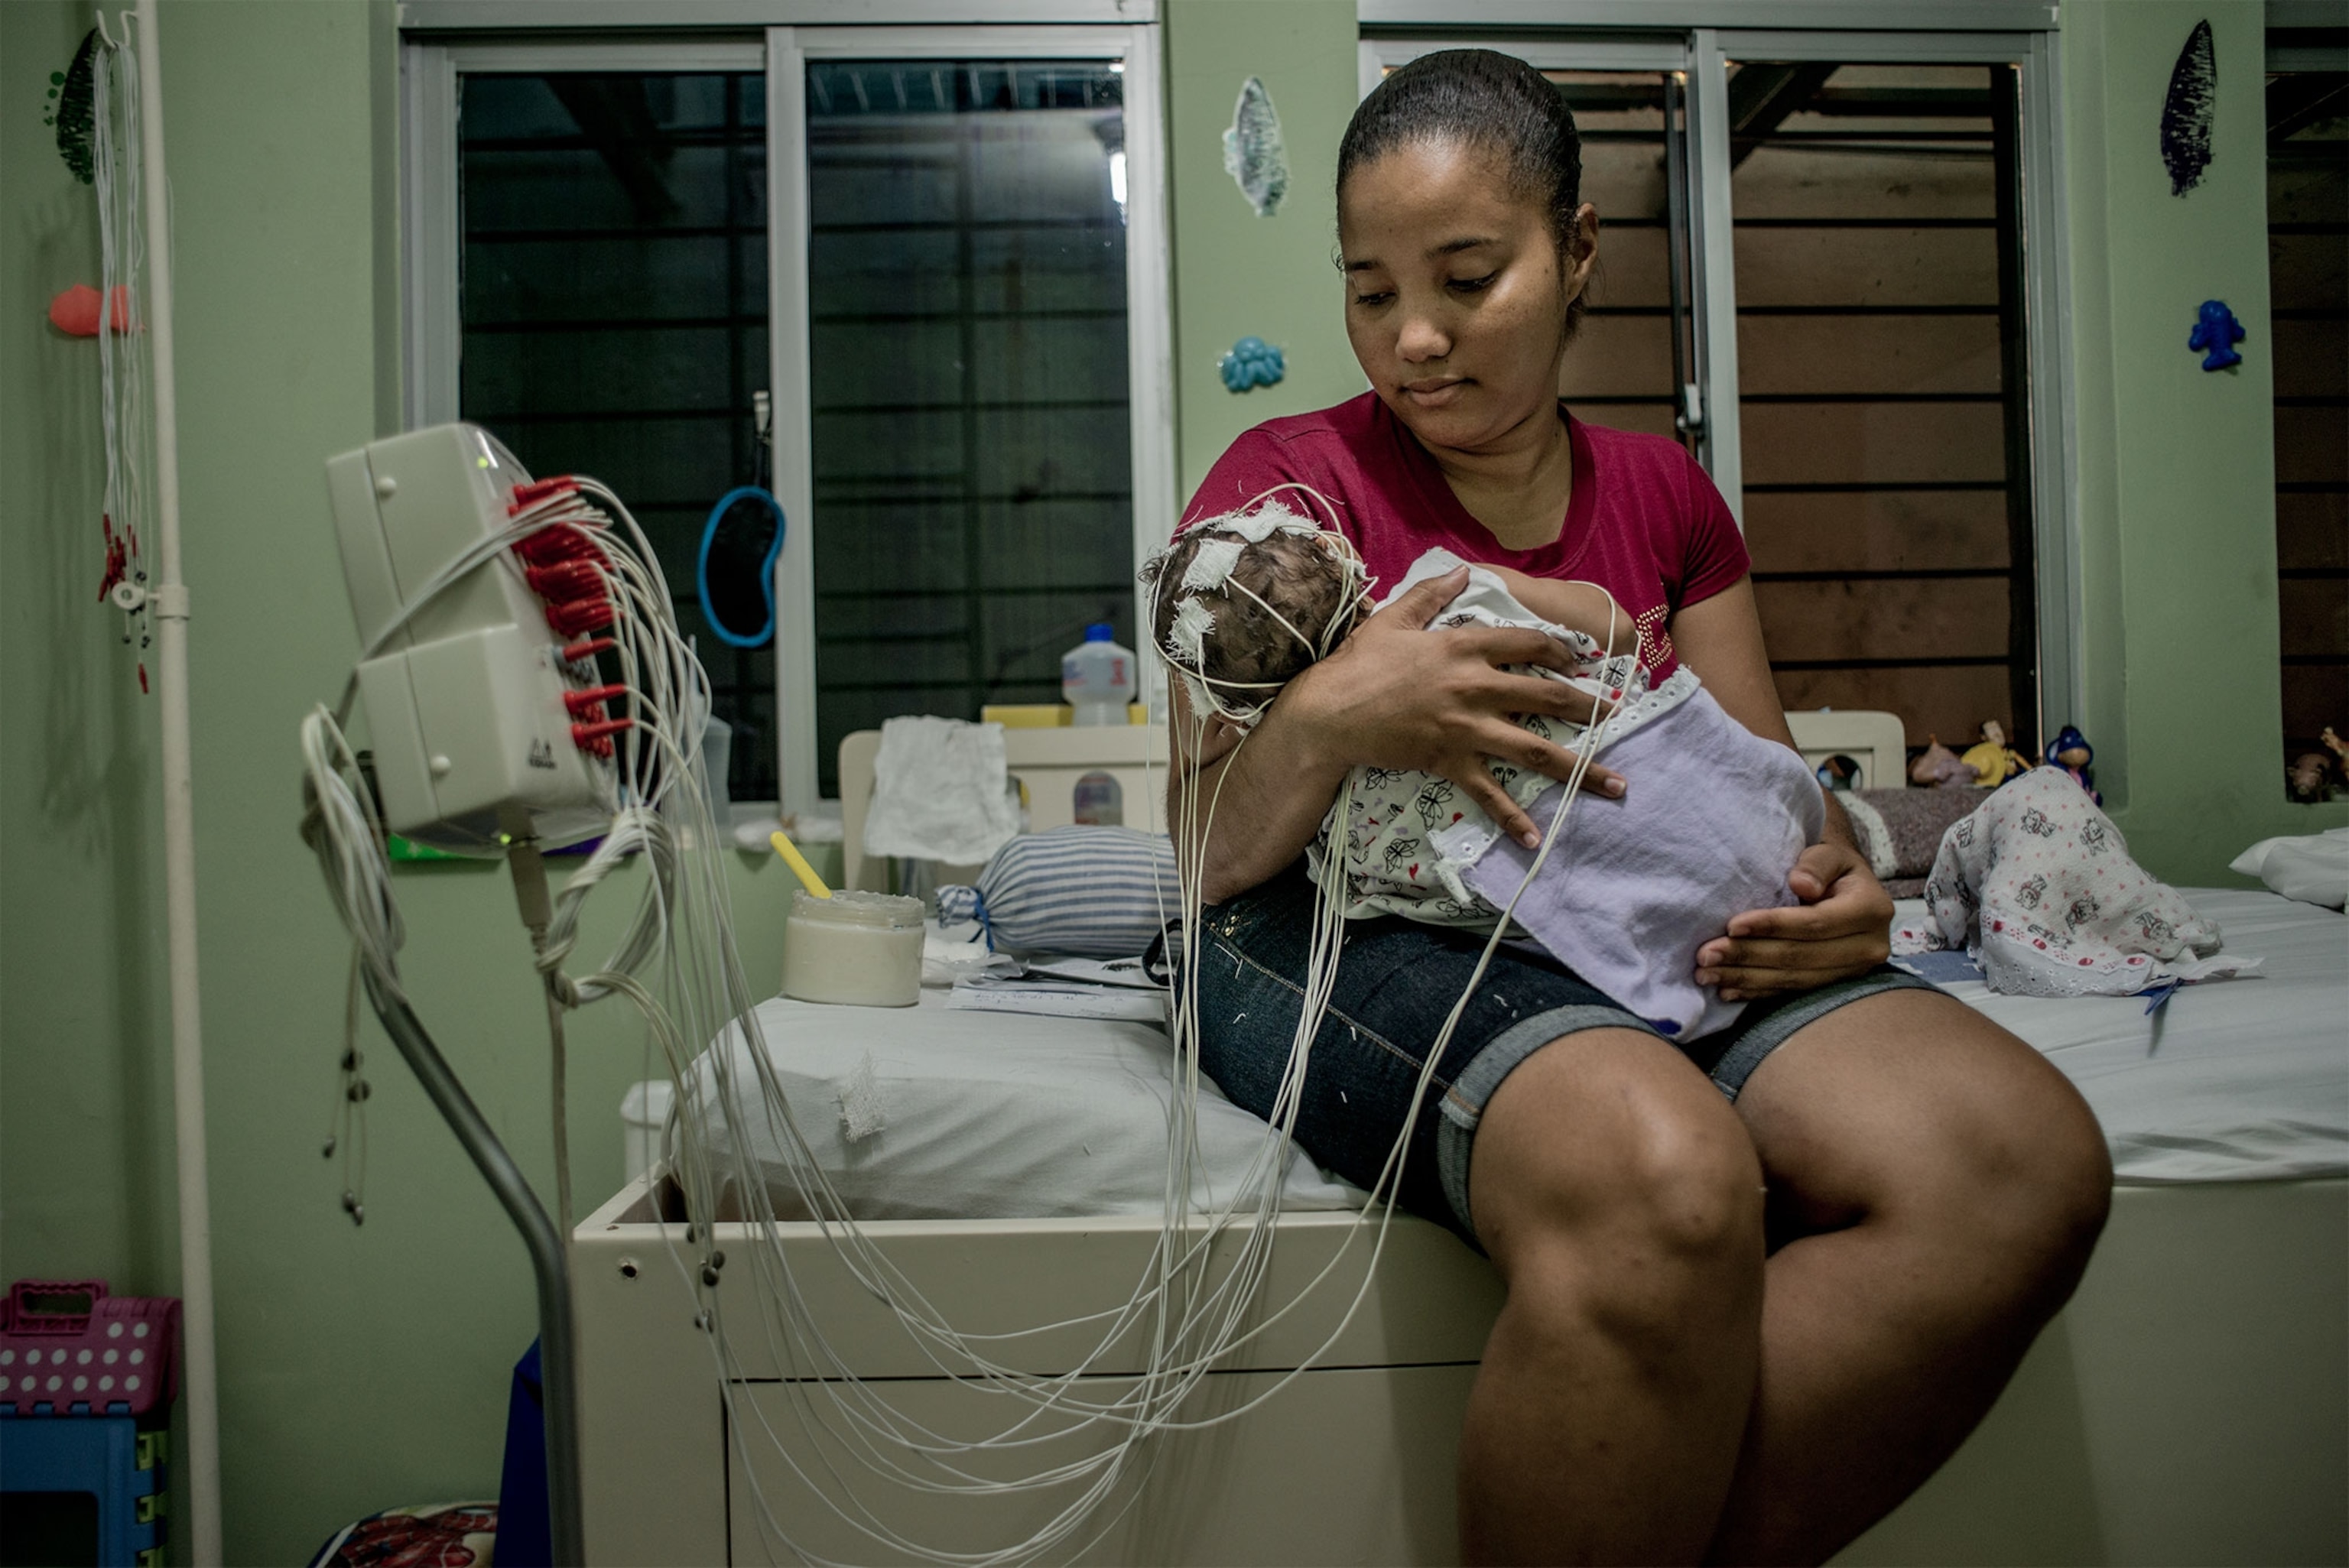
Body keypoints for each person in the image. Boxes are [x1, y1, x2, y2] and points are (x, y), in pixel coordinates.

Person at [1167, 48, 2110, 1566]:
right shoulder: (1287, 486)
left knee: (2021, 1159)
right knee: (1667, 1180)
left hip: (1645, 905)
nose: (1412, 340)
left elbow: (1764, 783)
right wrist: (1342, 705)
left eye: (1467, 278)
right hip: (1337, 918)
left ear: (1578, 247)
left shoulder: (1666, 497)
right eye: (1369, 290)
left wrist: (1843, 880)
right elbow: (1204, 848)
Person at [1144, 518, 1825, 1043]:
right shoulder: (1451, 579)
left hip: (1654, 938)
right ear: (1340, 553)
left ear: (1234, 701)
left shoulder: (1344, 813)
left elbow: (1419, 907)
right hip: (1732, 811)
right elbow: (1619, 627)